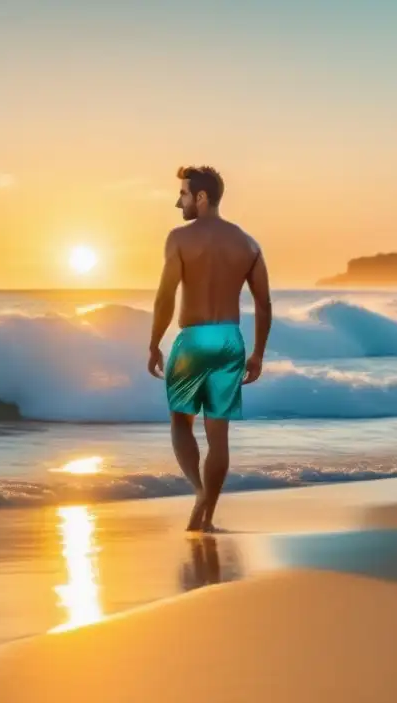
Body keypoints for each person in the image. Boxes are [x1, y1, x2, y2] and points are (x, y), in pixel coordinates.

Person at [147, 165, 272, 533]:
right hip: (230, 340)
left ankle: (199, 491)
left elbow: (165, 296)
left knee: (180, 420)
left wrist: (154, 343)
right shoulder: (248, 244)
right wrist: (258, 354)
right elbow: (264, 305)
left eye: (183, 194)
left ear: (201, 197)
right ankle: (206, 518)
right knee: (219, 435)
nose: (178, 201)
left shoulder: (179, 238)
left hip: (194, 340)